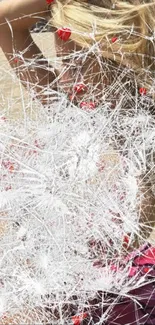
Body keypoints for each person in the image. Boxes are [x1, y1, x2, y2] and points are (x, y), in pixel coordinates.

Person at [0, 0, 155, 324]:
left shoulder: (139, 141)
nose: (61, 67)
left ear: (117, 60)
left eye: (75, 56)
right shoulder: (69, 111)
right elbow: (5, 21)